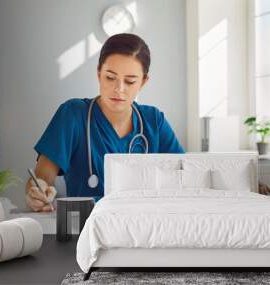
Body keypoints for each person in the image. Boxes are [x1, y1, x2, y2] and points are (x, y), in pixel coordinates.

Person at [25, 33, 184, 212]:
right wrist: (37, 191)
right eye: (110, 77)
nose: (119, 89)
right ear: (99, 73)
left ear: (143, 82)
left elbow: (184, 176)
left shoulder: (154, 121)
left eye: (130, 81)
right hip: (86, 230)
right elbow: (42, 178)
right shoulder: (73, 114)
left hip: (143, 229)